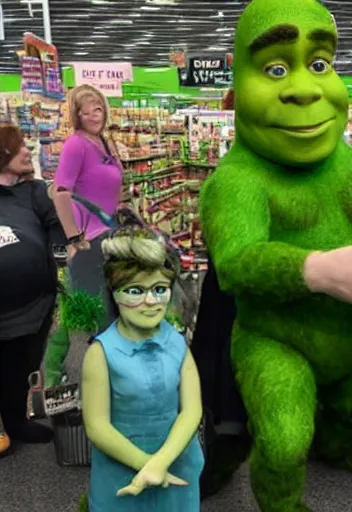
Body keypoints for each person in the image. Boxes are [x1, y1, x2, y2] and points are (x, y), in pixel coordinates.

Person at [194, 1, 352, 509]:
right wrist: (316, 269)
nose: (306, 89)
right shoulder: (237, 181)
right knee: (285, 438)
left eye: (319, 64)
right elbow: (235, 263)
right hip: (276, 340)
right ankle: (281, 501)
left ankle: (338, 450)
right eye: (274, 68)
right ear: (239, 83)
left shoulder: (347, 159)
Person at [81, 224, 204, 511]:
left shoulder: (177, 343)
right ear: (114, 292)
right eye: (135, 291)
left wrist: (160, 464)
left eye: (159, 289)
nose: (150, 301)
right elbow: (97, 425)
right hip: (121, 475)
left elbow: (192, 410)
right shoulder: (101, 353)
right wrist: (146, 466)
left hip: (178, 466)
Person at [45, 84, 124, 387]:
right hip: (90, 241)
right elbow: (61, 193)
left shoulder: (104, 141)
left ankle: (113, 378)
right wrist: (75, 238)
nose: (93, 115)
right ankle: (100, 383)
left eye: (98, 108)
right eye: (85, 110)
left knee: (115, 308)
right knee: (100, 315)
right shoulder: (75, 144)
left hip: (110, 236)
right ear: (76, 115)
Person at [0, 125, 65, 456]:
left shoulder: (35, 191)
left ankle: (15, 422)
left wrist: (60, 257)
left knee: (21, 365)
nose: (29, 151)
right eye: (20, 147)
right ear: (4, 155)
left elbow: (56, 227)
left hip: (34, 304)